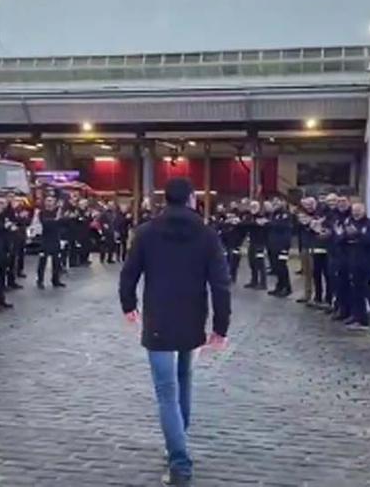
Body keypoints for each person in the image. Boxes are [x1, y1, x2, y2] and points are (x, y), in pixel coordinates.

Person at [119, 178, 231, 487]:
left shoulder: (146, 233)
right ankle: (177, 442)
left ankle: (179, 459)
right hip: (192, 318)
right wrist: (221, 326)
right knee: (183, 381)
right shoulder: (207, 235)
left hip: (159, 320)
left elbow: (129, 273)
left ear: (164, 200)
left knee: (167, 392)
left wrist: (128, 304)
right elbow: (221, 284)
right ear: (192, 199)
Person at [342, 202, 370, 331]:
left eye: (358, 210)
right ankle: (359, 318)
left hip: (369, 263)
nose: (356, 213)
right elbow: (342, 239)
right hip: (354, 262)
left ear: (364, 211)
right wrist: (347, 236)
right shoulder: (348, 223)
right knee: (356, 291)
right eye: (354, 210)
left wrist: (357, 234)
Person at [36, 196, 67, 289]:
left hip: (55, 239)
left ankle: (55, 280)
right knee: (42, 261)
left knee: (56, 261)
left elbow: (63, 223)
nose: (49, 203)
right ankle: (40, 280)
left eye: (51, 201)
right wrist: (56, 220)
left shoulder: (58, 212)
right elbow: (46, 224)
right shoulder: (42, 213)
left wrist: (58, 219)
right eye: (48, 201)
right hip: (45, 240)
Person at [331, 196, 353, 321]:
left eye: (344, 201)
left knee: (348, 285)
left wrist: (341, 236)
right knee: (338, 284)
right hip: (335, 254)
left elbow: (349, 235)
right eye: (339, 202)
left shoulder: (351, 216)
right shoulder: (334, 216)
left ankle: (348, 311)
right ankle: (339, 308)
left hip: (349, 255)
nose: (341, 204)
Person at [267, 196, 294, 298]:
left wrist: (285, 247)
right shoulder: (274, 214)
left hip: (282, 245)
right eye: (274, 202)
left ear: (283, 202)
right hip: (273, 244)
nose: (275, 204)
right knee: (276, 267)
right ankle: (279, 286)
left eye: (277, 202)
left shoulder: (286, 214)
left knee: (282, 266)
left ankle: (287, 288)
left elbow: (284, 228)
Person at [294, 197, 316, 303]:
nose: (308, 207)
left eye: (310, 204)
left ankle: (319, 296)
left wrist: (312, 222)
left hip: (316, 247)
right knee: (307, 273)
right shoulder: (301, 216)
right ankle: (307, 294)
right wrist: (298, 221)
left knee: (316, 273)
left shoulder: (318, 215)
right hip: (305, 246)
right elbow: (295, 231)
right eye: (306, 205)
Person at [243, 200, 268, 290]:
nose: (253, 208)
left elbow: (263, 225)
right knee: (252, 262)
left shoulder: (262, 216)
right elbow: (244, 224)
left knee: (260, 263)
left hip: (260, 243)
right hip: (252, 242)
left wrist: (255, 224)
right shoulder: (250, 217)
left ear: (258, 208)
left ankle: (263, 283)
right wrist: (255, 223)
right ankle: (254, 281)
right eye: (252, 207)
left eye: (255, 207)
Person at [72, 198, 93, 267]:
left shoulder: (87, 211)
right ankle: (79, 261)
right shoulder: (77, 211)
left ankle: (85, 259)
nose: (85, 205)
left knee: (87, 246)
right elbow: (76, 220)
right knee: (79, 247)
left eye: (86, 204)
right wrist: (83, 218)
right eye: (83, 204)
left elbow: (90, 220)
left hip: (86, 231)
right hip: (79, 232)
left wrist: (89, 216)